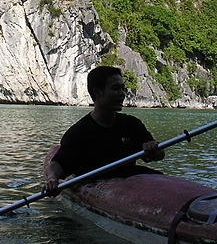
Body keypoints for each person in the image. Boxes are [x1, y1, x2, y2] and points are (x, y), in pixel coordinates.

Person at [43, 66, 165, 196]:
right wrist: (52, 178)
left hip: (128, 182)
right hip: (96, 185)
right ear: (97, 92)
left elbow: (159, 155)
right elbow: (58, 164)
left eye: (123, 88)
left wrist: (153, 148)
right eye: (115, 88)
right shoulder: (79, 132)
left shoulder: (132, 124)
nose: (122, 94)